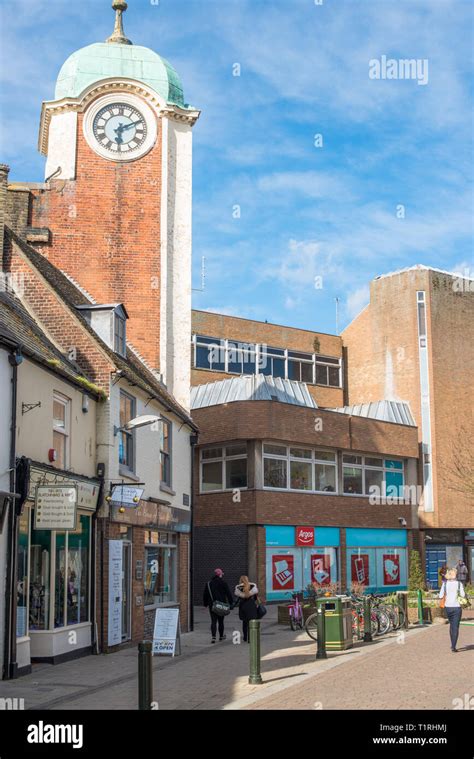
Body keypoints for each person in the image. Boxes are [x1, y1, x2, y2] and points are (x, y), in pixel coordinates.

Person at [203, 568, 234, 644]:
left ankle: (213, 637)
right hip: (221, 605)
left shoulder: (209, 583)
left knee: (213, 621)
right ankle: (221, 636)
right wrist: (231, 603)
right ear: (220, 575)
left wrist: (205, 604)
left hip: (212, 605)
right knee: (221, 621)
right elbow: (228, 594)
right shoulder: (223, 583)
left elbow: (205, 594)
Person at [439, 568, 466, 652]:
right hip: (457, 607)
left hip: (448, 607)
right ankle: (453, 646)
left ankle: (452, 644)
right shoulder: (459, 584)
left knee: (451, 625)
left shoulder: (445, 584)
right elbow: (463, 595)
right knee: (455, 627)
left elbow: (440, 596)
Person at [234, 575, 259, 643]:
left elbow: (238, 598)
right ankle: (250, 638)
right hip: (251, 605)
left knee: (244, 622)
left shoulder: (238, 587)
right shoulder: (253, 586)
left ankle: (245, 637)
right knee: (250, 622)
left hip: (243, 605)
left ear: (241, 580)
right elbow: (256, 598)